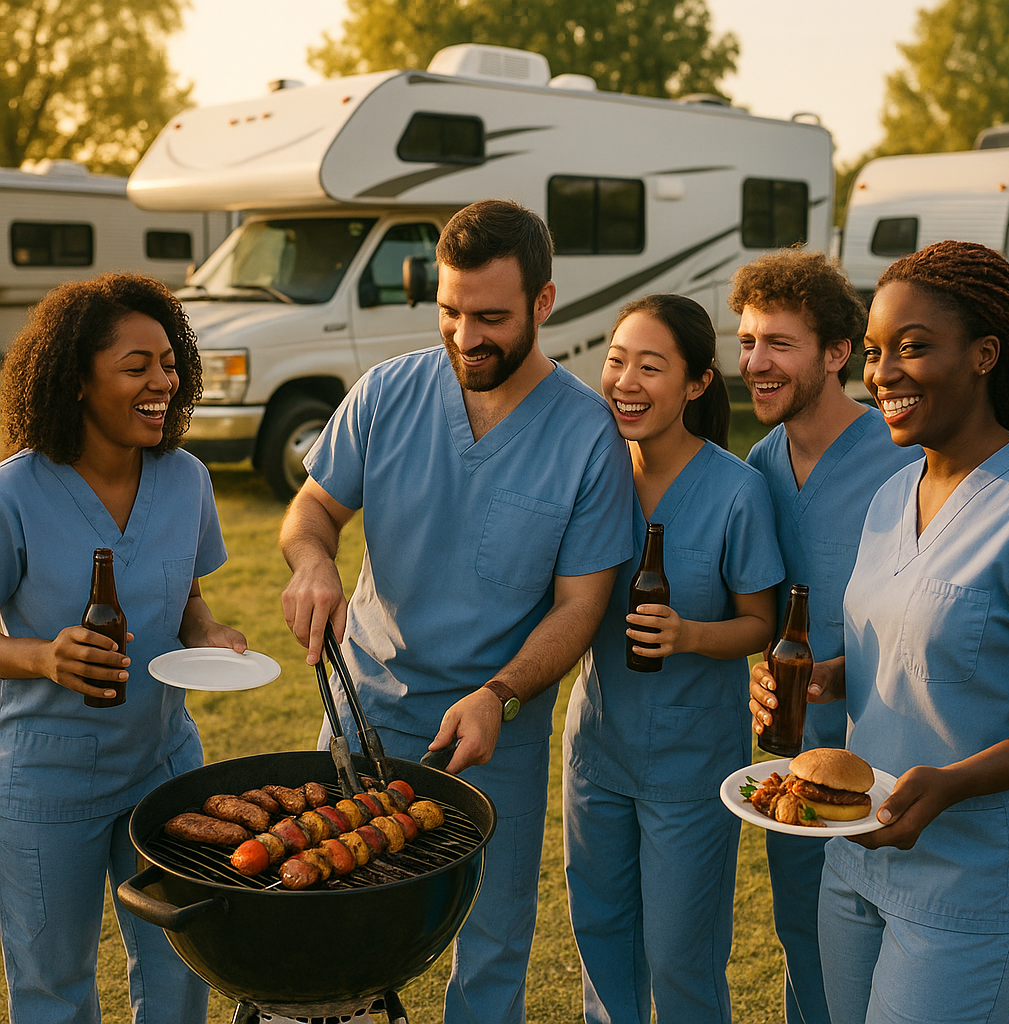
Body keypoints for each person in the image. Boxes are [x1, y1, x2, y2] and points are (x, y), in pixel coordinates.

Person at [279, 198, 633, 1024]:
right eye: (449, 312)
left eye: (491, 318)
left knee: (491, 946)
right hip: (364, 710)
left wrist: (500, 695)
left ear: (543, 303)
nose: (466, 337)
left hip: (493, 733)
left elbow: (581, 606)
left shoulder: (588, 434)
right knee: (335, 924)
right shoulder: (386, 392)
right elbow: (312, 510)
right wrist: (315, 562)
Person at [750, 240, 1009, 1024]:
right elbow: (907, 644)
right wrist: (830, 677)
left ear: (984, 355)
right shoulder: (893, 494)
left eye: (912, 347)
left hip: (966, 884)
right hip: (855, 859)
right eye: (874, 352)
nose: (883, 373)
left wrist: (953, 784)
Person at [0, 273, 247, 1024]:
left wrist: (211, 635)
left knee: (181, 970)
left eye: (169, 364)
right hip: (47, 777)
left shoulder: (187, 479)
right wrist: (43, 657)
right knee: (53, 985)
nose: (162, 383)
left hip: (163, 761)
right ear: (77, 381)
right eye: (136, 367)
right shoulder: (15, 493)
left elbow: (187, 599)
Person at [562, 293, 784, 1023]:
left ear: (696, 383)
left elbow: (761, 623)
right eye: (616, 360)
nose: (625, 382)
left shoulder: (736, 491)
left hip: (691, 762)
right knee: (601, 938)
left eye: (650, 367)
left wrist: (688, 635)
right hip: (597, 750)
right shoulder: (592, 474)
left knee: (680, 957)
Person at [731, 249, 919, 1024]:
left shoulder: (905, 454)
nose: (755, 362)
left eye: (778, 343)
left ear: (838, 353)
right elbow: (763, 612)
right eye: (747, 342)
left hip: (898, 752)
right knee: (802, 937)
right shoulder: (759, 465)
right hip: (797, 756)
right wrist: (760, 666)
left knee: (892, 952)